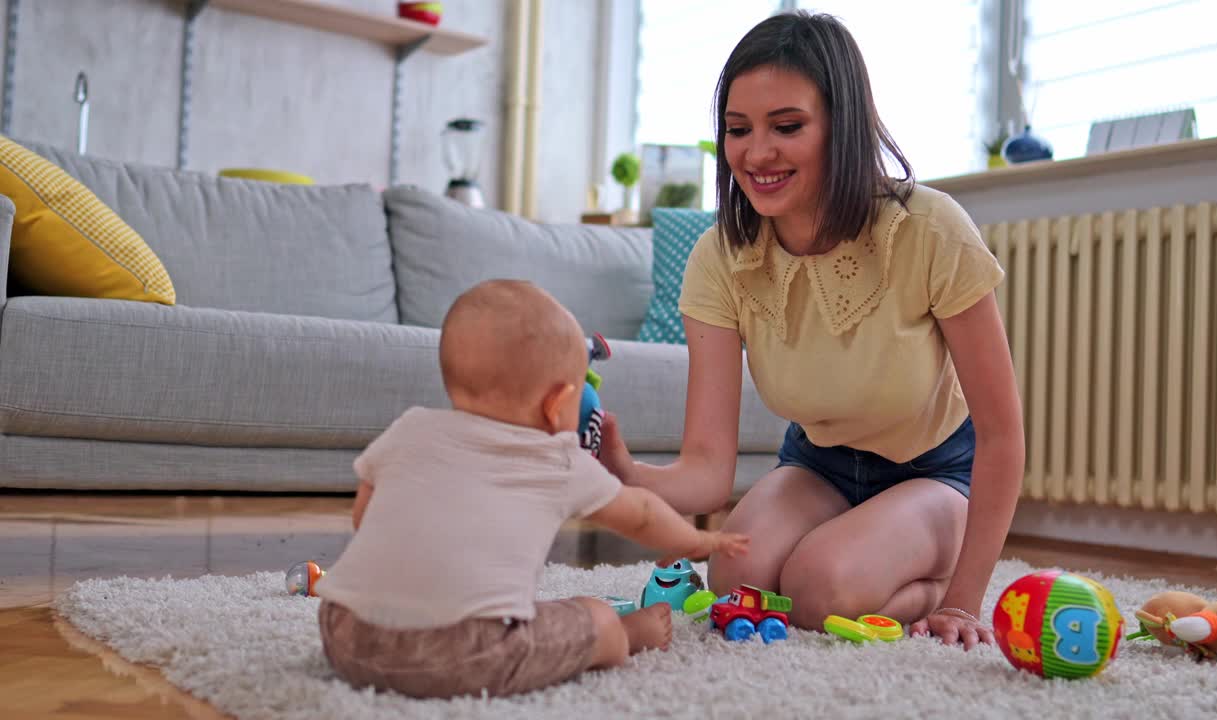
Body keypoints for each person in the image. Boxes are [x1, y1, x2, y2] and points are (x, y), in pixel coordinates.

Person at [597, 11, 1024, 651]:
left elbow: (1001, 433)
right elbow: (710, 470)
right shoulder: (720, 258)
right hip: (818, 465)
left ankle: (927, 574)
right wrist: (622, 471)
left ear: (841, 126)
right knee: (735, 575)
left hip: (933, 472)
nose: (756, 153)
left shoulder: (931, 229)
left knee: (819, 591)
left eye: (787, 127)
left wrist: (963, 603)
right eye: (738, 130)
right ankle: (862, 546)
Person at [313, 279, 750, 699]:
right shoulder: (558, 458)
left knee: (552, 609)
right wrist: (699, 539)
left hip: (346, 633)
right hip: (465, 654)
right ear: (558, 404)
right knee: (593, 617)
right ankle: (632, 634)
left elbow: (364, 516)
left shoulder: (410, 428)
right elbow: (641, 515)